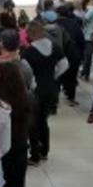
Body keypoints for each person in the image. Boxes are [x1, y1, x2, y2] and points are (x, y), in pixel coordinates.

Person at [22, 21, 68, 165]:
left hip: (36, 91)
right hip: (52, 89)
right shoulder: (54, 46)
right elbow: (65, 64)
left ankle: (35, 155)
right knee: (44, 120)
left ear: (32, 34)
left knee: (33, 123)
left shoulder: (28, 52)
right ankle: (44, 151)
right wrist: (53, 76)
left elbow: (27, 73)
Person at [56, 3, 85, 105]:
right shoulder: (74, 24)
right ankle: (71, 98)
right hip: (73, 55)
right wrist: (81, 55)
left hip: (57, 55)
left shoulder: (53, 24)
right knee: (72, 77)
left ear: (57, 14)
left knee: (56, 76)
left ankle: (55, 99)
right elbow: (81, 40)